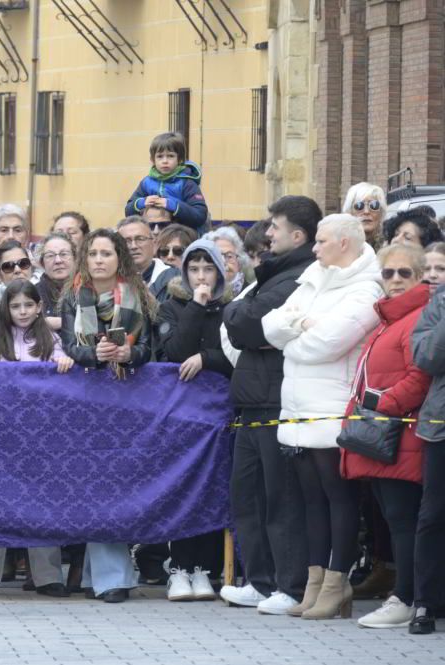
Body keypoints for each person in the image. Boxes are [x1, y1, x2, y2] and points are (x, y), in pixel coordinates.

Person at [262, 214, 382, 620]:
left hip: (333, 407)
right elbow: (270, 325)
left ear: (345, 243)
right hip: (298, 405)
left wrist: (293, 336)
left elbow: (326, 345)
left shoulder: (367, 288)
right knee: (312, 500)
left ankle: (337, 581)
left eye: (322, 241)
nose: (313, 248)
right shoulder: (315, 274)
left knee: (340, 498)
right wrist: (301, 327)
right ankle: (315, 582)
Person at [220, 195, 319, 613]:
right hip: (251, 400)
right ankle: (258, 581)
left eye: (275, 226)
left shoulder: (297, 277)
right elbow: (242, 315)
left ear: (297, 235)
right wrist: (242, 314)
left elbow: (245, 322)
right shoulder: (271, 273)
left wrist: (242, 316)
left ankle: (290, 584)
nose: (268, 232)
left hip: (276, 400)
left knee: (280, 498)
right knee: (248, 496)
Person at [0, 279, 72, 598]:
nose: (22, 311)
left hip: (40, 434)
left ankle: (48, 577)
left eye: (28, 305)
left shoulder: (52, 339)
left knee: (42, 502)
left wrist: (65, 362)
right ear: (6, 308)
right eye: (15, 305)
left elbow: (64, 366)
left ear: (38, 308)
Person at [337, 244, 431, 629]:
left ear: (420, 276)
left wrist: (384, 405)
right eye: (387, 273)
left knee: (403, 521)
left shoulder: (418, 317)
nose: (393, 280)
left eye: (403, 273)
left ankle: (407, 596)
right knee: (393, 523)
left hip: (401, 435)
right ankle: (404, 593)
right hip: (384, 434)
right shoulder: (390, 319)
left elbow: (419, 374)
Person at [60, 228, 156, 603]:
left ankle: (110, 577)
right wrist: (94, 355)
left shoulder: (139, 296)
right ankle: (102, 577)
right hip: (84, 401)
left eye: (107, 253)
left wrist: (128, 355)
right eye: (93, 253)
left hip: (126, 400)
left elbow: (150, 347)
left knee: (115, 484)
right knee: (92, 486)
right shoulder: (72, 297)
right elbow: (69, 346)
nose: (99, 259)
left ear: (120, 259)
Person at [155, 238, 232, 600]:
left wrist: (208, 358)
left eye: (208, 269)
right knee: (184, 489)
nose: (201, 277)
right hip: (183, 414)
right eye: (194, 269)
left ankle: (205, 569)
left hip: (219, 413)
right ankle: (180, 569)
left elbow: (237, 354)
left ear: (220, 271)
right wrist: (197, 306)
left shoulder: (233, 306)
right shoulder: (172, 306)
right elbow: (174, 351)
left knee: (211, 489)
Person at [409, 259, 445, 635]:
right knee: (433, 515)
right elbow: (427, 357)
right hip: (440, 425)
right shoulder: (439, 304)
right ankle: (425, 603)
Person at [126, 132, 208, 232]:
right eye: (160, 156)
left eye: (170, 156)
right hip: (152, 235)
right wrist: (142, 202)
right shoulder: (146, 182)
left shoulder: (187, 183)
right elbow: (128, 211)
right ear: (152, 160)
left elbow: (200, 215)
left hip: (181, 236)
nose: (165, 161)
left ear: (180, 159)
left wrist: (172, 205)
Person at [118, 216, 178, 303]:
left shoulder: (174, 278)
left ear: (153, 243)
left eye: (140, 239)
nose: (133, 246)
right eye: (126, 241)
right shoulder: (110, 280)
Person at [37, 232, 75, 331]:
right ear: (42, 263)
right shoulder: (32, 293)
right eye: (50, 256)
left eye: (64, 254)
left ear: (75, 258)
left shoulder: (88, 289)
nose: (58, 260)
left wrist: (63, 322)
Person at [204, 226, 254, 294]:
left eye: (229, 256)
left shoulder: (251, 292)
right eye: (217, 256)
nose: (223, 262)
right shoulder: (198, 293)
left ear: (239, 262)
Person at [343, 182, 388, 250]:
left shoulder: (390, 248)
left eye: (374, 205)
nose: (366, 211)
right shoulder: (339, 247)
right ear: (350, 212)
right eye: (359, 206)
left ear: (381, 213)